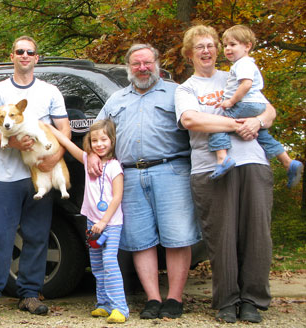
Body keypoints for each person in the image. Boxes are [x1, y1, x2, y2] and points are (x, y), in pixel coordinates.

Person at [88, 43, 201, 320]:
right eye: (136, 63)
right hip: (130, 175)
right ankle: (153, 298)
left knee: (177, 237)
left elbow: (197, 125)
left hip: (171, 170)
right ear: (129, 67)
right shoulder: (116, 99)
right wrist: (91, 152)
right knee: (141, 240)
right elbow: (97, 131)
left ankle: (174, 298)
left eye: (147, 63)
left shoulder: (177, 93)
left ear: (157, 63)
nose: (142, 68)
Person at [175, 25, 277, 323]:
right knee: (221, 237)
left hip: (252, 161)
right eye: (199, 47)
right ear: (189, 54)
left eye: (210, 45)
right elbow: (192, 119)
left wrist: (256, 122)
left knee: (257, 234)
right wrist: (235, 125)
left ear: (218, 50)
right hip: (211, 168)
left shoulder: (236, 75)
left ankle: (252, 300)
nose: (206, 51)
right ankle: (226, 301)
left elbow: (269, 111)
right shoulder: (186, 88)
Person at [0, 35, 71, 318]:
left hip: (40, 175)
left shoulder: (50, 91)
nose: (25, 55)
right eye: (20, 51)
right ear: (12, 56)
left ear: (36, 58)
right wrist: (14, 144)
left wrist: (54, 158)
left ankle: (29, 294)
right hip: (6, 176)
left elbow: (64, 130)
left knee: (37, 235)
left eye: (30, 52)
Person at [48, 120, 128, 324]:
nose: (99, 144)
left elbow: (117, 197)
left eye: (104, 139)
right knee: (97, 265)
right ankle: (103, 304)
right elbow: (67, 143)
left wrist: (103, 222)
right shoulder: (87, 160)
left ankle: (120, 307)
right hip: (92, 222)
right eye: (94, 141)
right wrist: (48, 128)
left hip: (109, 223)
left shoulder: (115, 167)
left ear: (112, 140)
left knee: (110, 262)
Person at [207, 24, 303, 183]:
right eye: (225, 46)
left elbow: (246, 84)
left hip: (245, 104)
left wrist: (231, 101)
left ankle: (222, 159)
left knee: (218, 124)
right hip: (256, 105)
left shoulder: (243, 64)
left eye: (233, 44)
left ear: (247, 46)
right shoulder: (246, 63)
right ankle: (288, 162)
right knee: (263, 135)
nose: (228, 49)